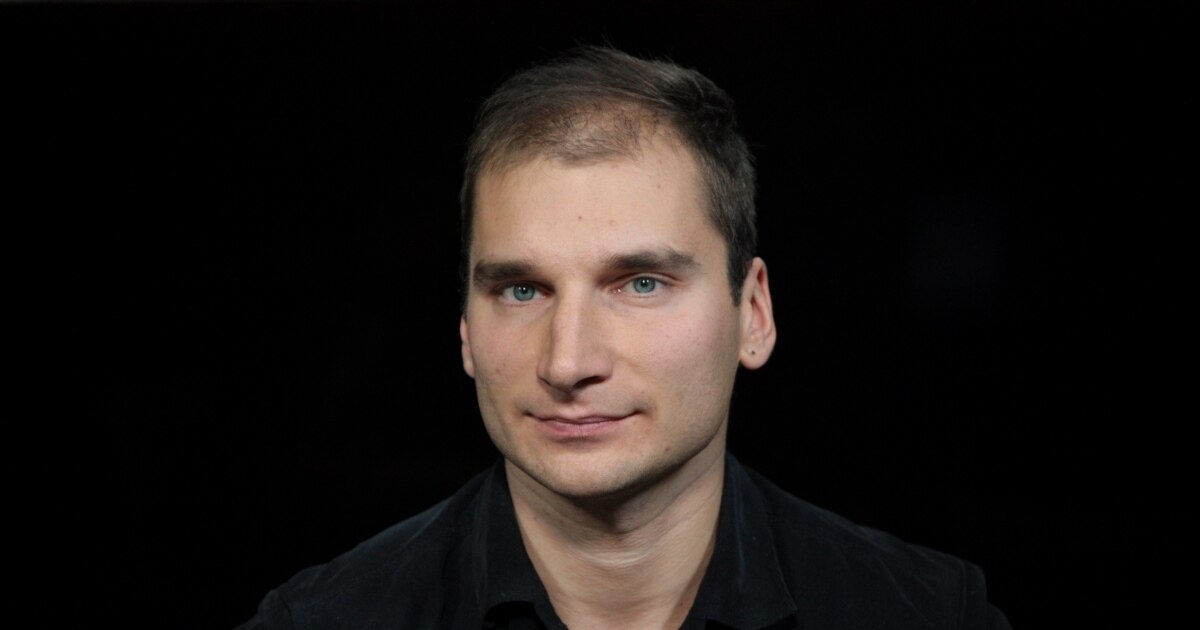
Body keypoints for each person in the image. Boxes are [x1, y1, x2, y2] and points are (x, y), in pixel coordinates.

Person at [239, 46, 1010, 629]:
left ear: (753, 314)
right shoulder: (321, 620)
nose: (568, 361)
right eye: (521, 290)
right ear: (466, 330)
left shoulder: (926, 614)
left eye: (640, 284)